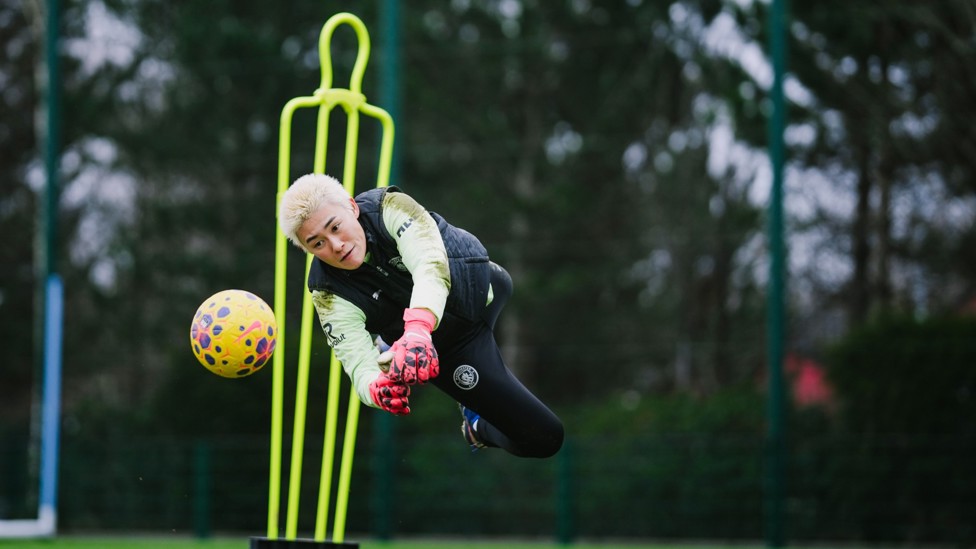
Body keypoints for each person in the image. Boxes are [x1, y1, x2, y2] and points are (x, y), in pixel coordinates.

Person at [277, 173, 564, 458]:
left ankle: (392, 343)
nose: (335, 245)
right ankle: (477, 426)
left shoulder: (391, 206)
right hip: (450, 346)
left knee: (502, 283)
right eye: (317, 243)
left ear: (352, 207)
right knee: (545, 438)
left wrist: (417, 330)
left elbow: (430, 265)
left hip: (483, 286)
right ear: (306, 249)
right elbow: (357, 364)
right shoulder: (327, 291)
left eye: (335, 227)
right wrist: (377, 389)